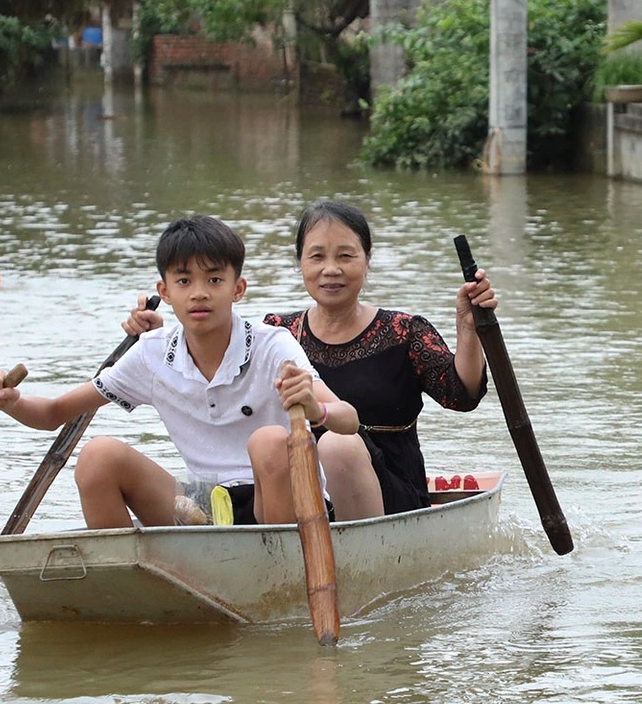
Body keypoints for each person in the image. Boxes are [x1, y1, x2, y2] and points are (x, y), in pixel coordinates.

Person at [124, 199, 496, 521]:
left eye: (345, 256)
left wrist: (468, 327)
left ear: (367, 261)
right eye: (317, 256)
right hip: (296, 490)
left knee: (336, 444)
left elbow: (460, 396)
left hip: (384, 490)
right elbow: (210, 350)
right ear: (301, 263)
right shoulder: (279, 332)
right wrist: (161, 336)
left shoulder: (403, 331)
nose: (330, 269)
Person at [0, 215, 358, 528]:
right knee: (98, 456)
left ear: (237, 289)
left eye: (214, 279)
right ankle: (127, 586)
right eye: (184, 281)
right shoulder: (152, 354)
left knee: (270, 440)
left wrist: (313, 407)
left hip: (285, 505)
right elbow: (53, 413)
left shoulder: (273, 345)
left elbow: (349, 420)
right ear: (166, 290)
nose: (199, 293)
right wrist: (8, 400)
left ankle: (279, 575)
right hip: (206, 506)